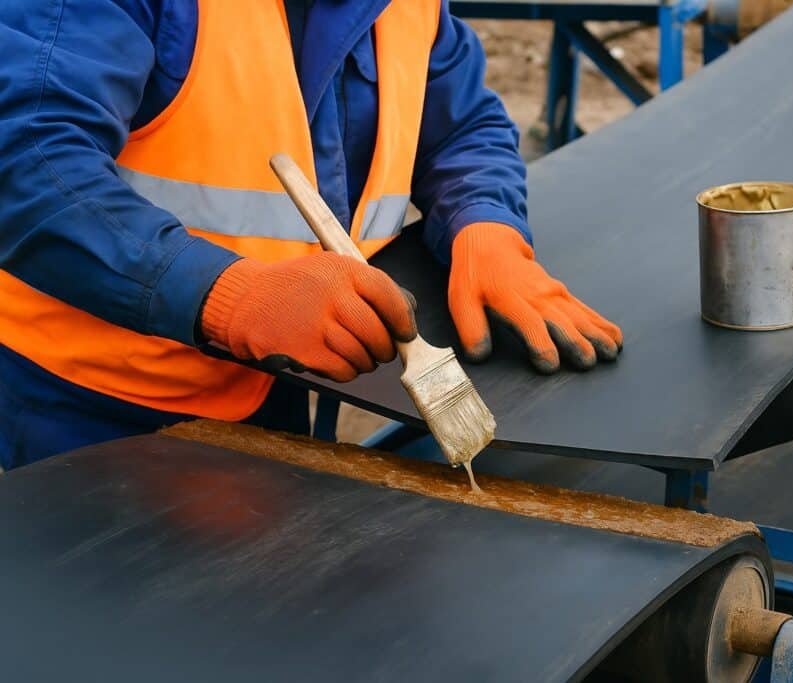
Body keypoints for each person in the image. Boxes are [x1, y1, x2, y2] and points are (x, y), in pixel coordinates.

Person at [0, 0, 622, 470]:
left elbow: (462, 125)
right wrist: (226, 295)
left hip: (272, 380)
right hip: (84, 409)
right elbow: (28, 158)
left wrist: (486, 222)